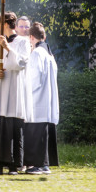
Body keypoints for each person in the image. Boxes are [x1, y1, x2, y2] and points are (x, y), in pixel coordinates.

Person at [0, 11, 31, 175]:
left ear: (5, 24)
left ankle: (13, 165)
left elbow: (22, 63)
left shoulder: (23, 42)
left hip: (14, 92)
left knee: (12, 128)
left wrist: (8, 48)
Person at [24, 22, 60, 175]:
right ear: (44, 37)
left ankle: (37, 165)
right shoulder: (49, 54)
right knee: (43, 134)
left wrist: (24, 91)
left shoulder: (37, 53)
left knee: (35, 133)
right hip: (47, 100)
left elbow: (34, 78)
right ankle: (45, 164)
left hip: (37, 99)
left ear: (31, 37)